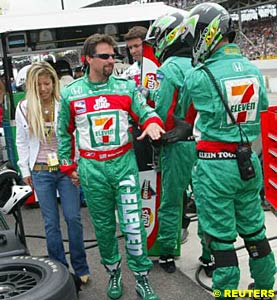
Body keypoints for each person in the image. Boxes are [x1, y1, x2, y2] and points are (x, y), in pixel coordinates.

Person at [57, 33, 164, 300]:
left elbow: (145, 111)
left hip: (124, 165)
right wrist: (69, 167)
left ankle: (142, 278)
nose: (111, 60)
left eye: (113, 55)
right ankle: (114, 273)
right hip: (93, 171)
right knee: (104, 229)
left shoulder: (125, 87)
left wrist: (150, 121)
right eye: (104, 56)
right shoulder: (71, 94)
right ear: (88, 59)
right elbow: (63, 133)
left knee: (133, 226)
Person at [180, 3, 276, 299]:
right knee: (255, 233)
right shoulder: (254, 71)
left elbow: (184, 115)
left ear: (207, 34)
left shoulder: (198, 76)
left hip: (214, 167)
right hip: (248, 164)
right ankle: (263, 290)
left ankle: (226, 294)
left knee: (221, 241)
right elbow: (260, 113)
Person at [15, 61, 90, 284]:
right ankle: (60, 269)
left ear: (54, 82)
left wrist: (77, 164)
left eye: (47, 83)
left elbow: (75, 134)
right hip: (40, 171)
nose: (43, 89)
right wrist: (24, 168)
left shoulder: (63, 102)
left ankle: (81, 265)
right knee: (50, 222)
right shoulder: (24, 107)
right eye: (38, 85)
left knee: (73, 218)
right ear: (31, 85)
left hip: (66, 169)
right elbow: (21, 140)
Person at [145, 11, 198, 273]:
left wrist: (158, 138)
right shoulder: (202, 64)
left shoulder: (168, 69)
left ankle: (166, 253)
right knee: (207, 201)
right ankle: (212, 257)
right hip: (205, 143)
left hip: (176, 145)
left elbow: (163, 110)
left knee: (171, 201)